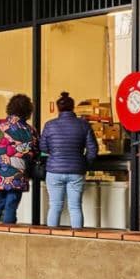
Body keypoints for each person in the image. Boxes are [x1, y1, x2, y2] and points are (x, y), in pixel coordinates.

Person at [40, 91, 98, 229]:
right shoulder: (84, 125)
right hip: (76, 171)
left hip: (54, 170)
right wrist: (84, 163)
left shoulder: (50, 125)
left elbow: (43, 147)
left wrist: (54, 154)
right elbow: (93, 150)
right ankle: (77, 239)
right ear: (73, 108)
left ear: (58, 108)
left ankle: (51, 238)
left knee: (55, 206)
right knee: (75, 207)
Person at [0, 94, 39, 224]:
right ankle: (10, 239)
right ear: (28, 111)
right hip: (16, 176)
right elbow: (34, 153)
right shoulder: (30, 130)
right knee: (10, 208)